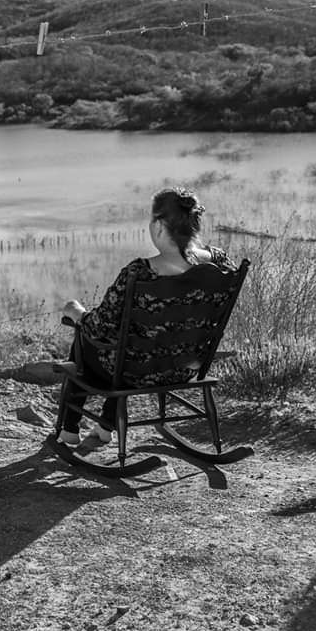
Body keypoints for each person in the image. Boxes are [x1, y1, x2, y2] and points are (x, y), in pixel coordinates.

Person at [57, 187, 235, 445]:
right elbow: (220, 259)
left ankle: (69, 430)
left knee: (85, 340)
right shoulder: (220, 266)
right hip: (185, 368)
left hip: (136, 373)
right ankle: (105, 425)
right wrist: (193, 248)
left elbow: (98, 327)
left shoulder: (139, 272)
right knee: (126, 342)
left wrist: (77, 312)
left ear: (159, 227)